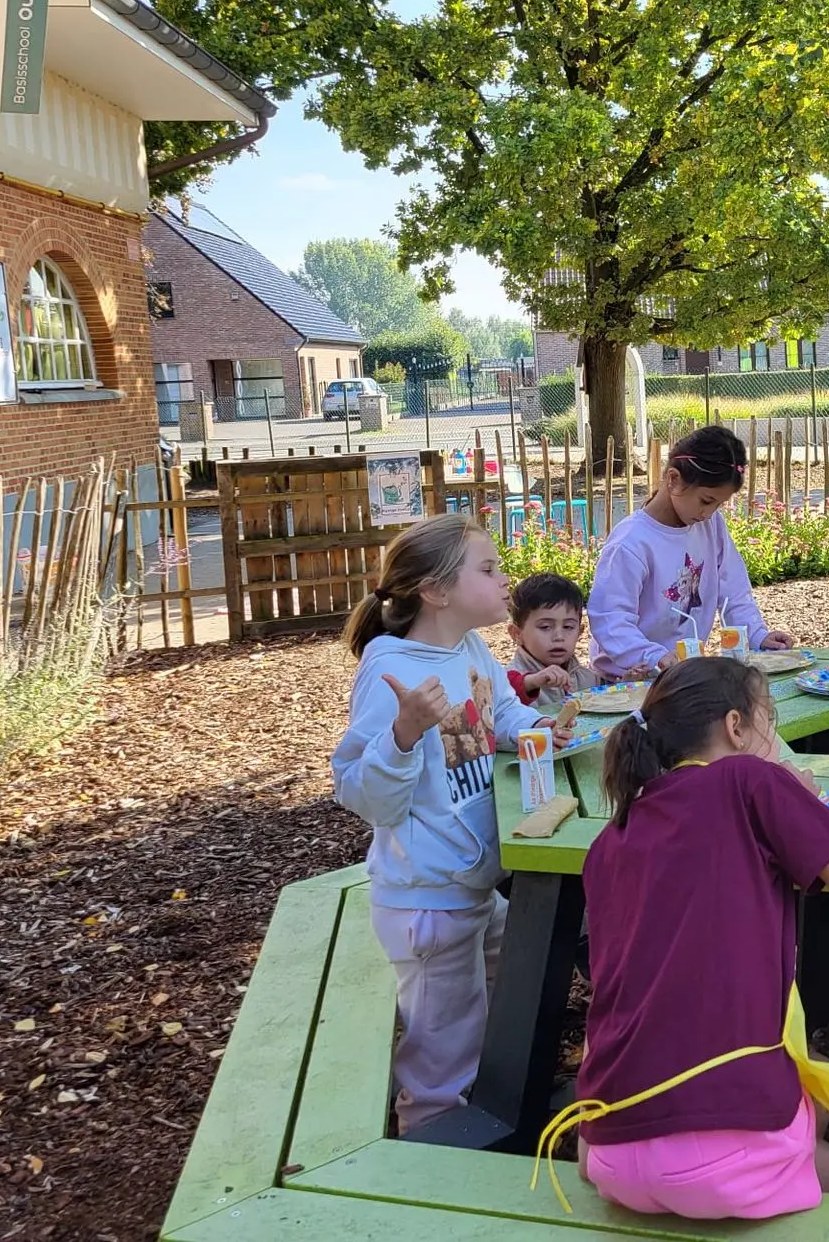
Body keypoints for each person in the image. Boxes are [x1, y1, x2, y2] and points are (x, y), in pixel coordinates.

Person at [569, 658, 829, 1219]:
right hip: (719, 1162)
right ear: (736, 727)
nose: (774, 737)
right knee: (825, 1157)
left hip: (607, 1148)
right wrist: (799, 802)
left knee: (805, 1079)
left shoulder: (610, 840)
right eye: (770, 720)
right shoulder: (751, 780)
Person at [330, 514, 576, 1134]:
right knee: (440, 1052)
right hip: (427, 903)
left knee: (509, 984)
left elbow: (505, 715)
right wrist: (403, 735)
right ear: (436, 591)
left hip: (469, 887)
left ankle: (496, 1103)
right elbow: (362, 794)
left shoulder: (469, 649)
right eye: (488, 569)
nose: (504, 580)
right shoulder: (392, 674)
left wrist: (540, 728)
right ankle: (431, 1136)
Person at [587, 426, 794, 679]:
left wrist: (757, 635)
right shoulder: (631, 542)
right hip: (625, 681)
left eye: (719, 504)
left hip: (683, 675)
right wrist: (653, 657)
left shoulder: (711, 525)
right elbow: (610, 618)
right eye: (706, 501)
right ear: (673, 479)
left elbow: (733, 590)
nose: (709, 513)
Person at [506, 572, 598, 707]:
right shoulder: (503, 682)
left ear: (580, 632)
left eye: (568, 627)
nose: (559, 637)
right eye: (545, 627)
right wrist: (531, 683)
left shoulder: (589, 679)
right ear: (516, 634)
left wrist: (625, 685)